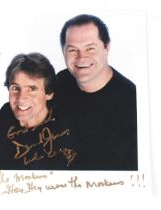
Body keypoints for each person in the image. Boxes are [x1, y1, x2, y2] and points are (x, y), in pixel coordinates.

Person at [56, 14, 138, 170]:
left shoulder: (132, 101)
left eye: (90, 48)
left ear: (106, 47)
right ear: (63, 52)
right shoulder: (60, 82)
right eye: (73, 50)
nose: (81, 58)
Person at [0, 52, 78, 170]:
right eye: (15, 88)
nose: (21, 98)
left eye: (32, 89)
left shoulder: (66, 127)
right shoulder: (3, 117)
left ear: (48, 93)